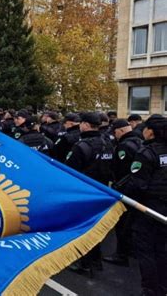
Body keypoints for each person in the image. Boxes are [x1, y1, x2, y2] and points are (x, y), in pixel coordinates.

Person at [117, 115, 167, 296]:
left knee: (146, 252)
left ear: (151, 132)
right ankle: (162, 287)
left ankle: (150, 290)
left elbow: (137, 185)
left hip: (148, 210)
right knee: (161, 249)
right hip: (163, 209)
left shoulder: (146, 153)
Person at [66, 112, 115, 276]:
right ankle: (96, 260)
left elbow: (69, 171)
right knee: (96, 227)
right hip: (102, 191)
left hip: (83, 193)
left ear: (86, 125)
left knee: (82, 228)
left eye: (81, 123)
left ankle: (84, 264)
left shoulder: (81, 146)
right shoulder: (107, 142)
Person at [103, 119, 143, 267]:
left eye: (115, 132)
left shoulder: (124, 147)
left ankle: (121, 254)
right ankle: (131, 250)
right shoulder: (139, 140)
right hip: (138, 189)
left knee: (123, 224)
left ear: (120, 130)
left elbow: (120, 169)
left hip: (125, 190)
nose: (115, 135)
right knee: (133, 222)